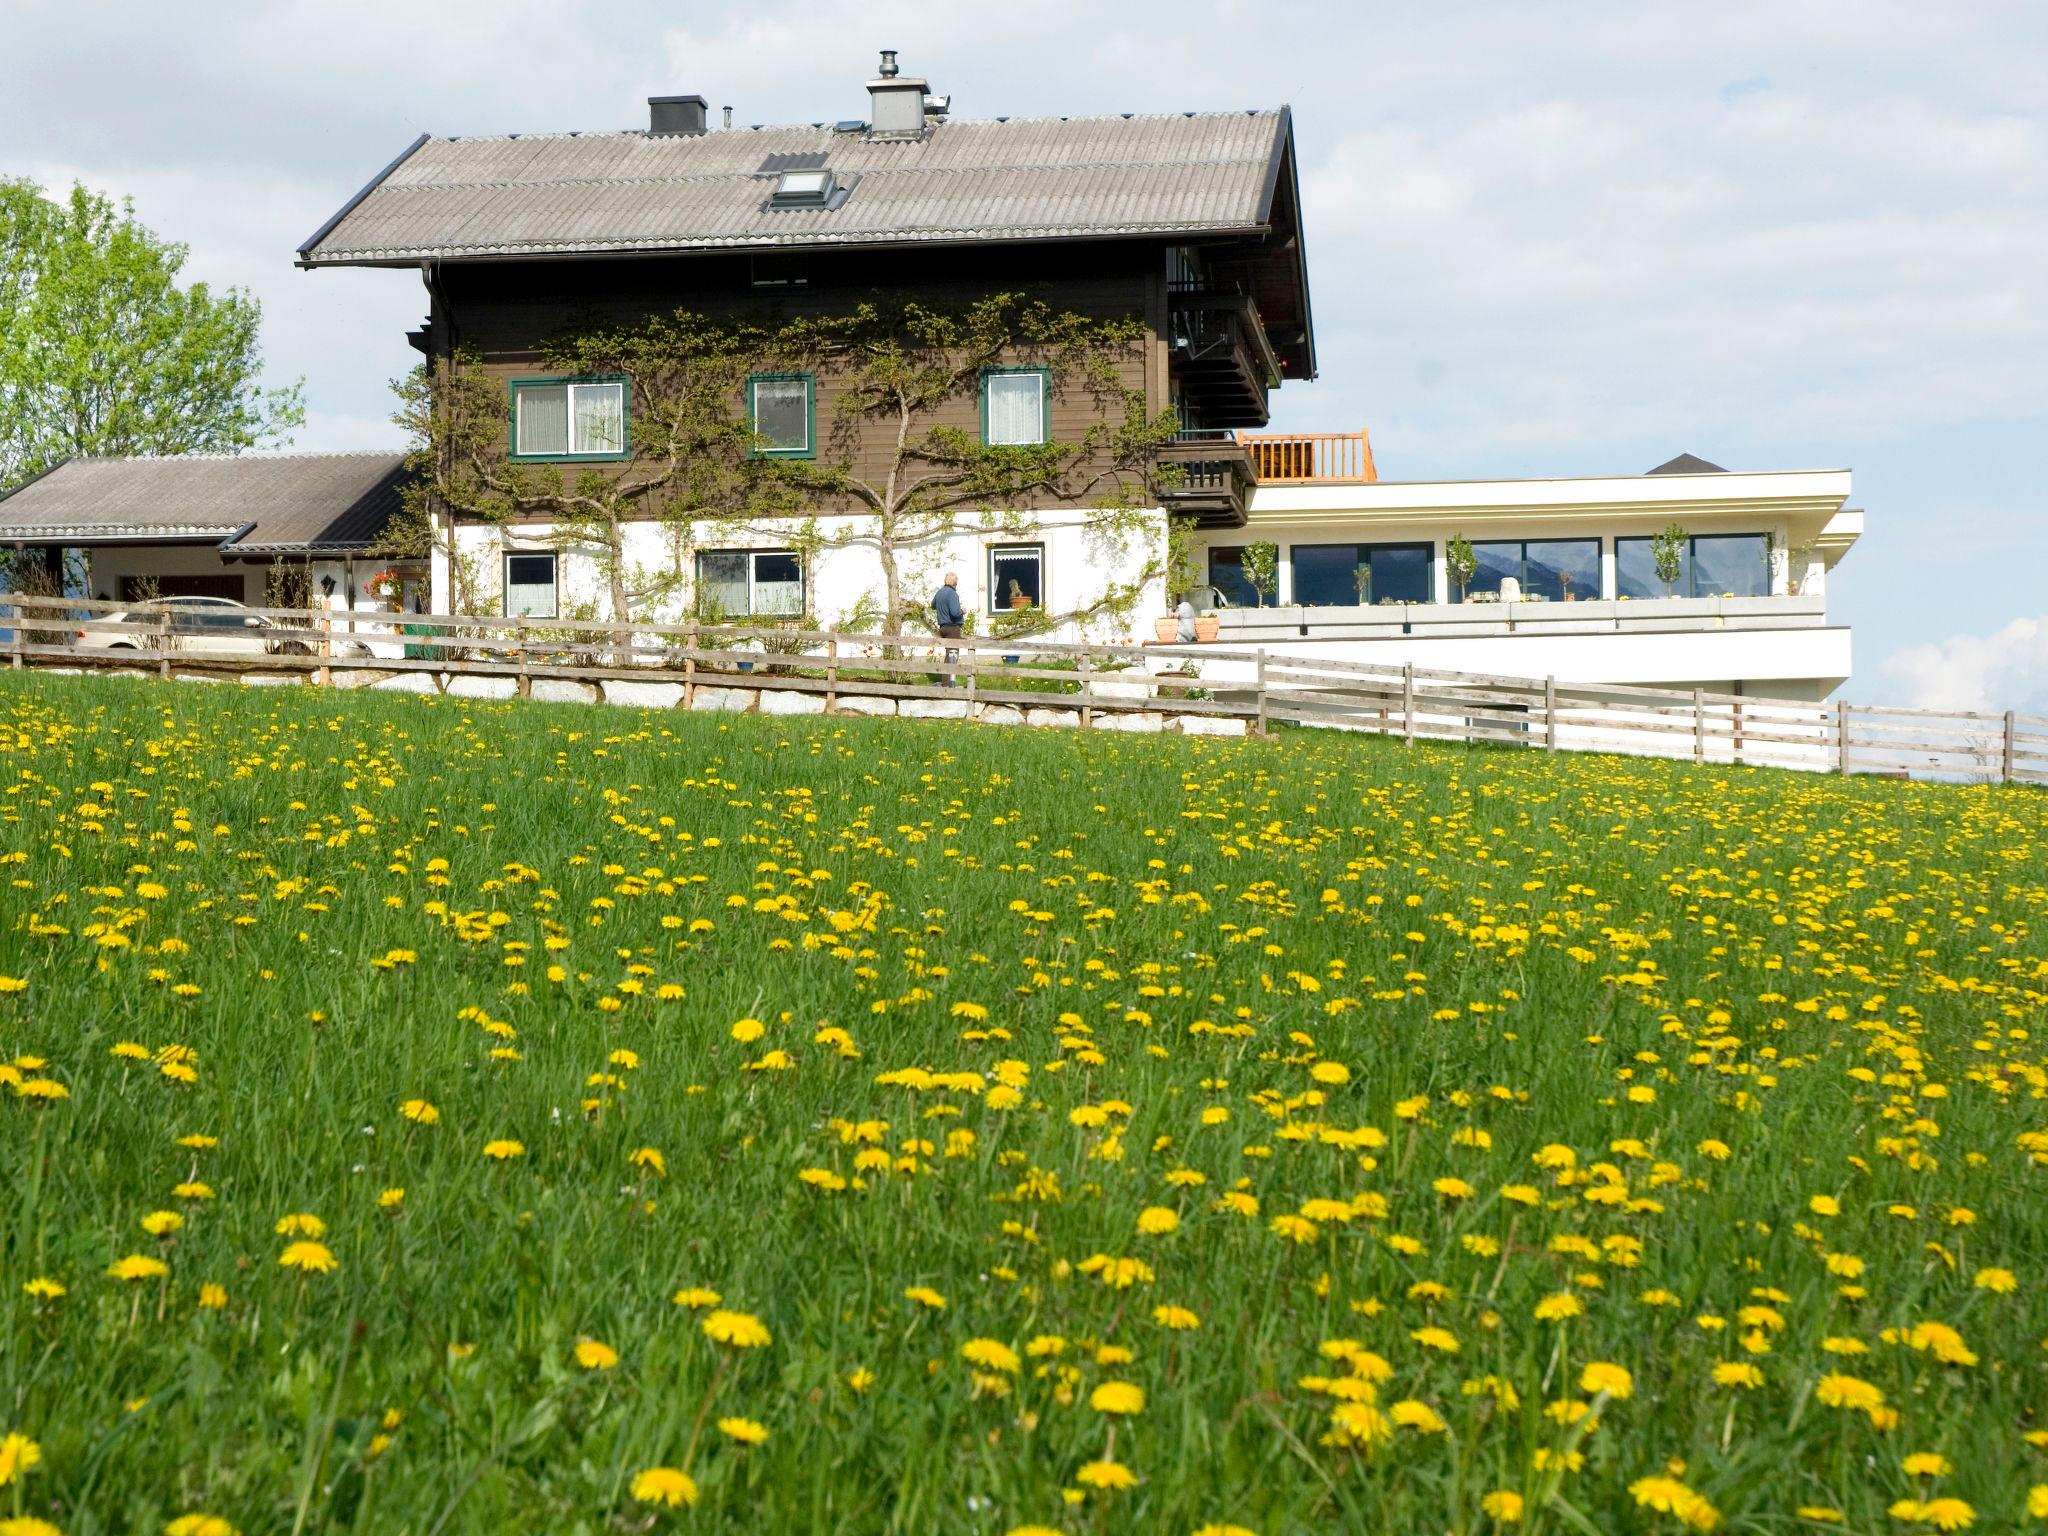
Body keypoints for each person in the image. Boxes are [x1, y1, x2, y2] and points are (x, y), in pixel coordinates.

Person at [932, 572, 964, 685]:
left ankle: (948, 683)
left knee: (948, 655)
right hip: (952, 628)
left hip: (943, 627)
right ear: (955, 582)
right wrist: (962, 611)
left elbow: (933, 605)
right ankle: (948, 684)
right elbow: (955, 613)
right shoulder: (952, 594)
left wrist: (942, 609)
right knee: (952, 657)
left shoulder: (940, 592)